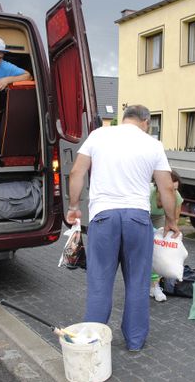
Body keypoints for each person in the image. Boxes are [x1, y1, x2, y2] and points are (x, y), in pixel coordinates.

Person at [66, 104, 179, 351]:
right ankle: (135, 342)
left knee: (100, 283)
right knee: (138, 283)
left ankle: (93, 342)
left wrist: (74, 206)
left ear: (124, 118)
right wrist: (171, 220)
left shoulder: (98, 135)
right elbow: (167, 187)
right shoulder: (153, 144)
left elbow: (76, 172)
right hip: (138, 219)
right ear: (146, 121)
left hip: (103, 217)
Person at [149, 171, 183, 302]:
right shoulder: (148, 192)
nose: (173, 193)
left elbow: (175, 218)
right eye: (171, 189)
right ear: (159, 186)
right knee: (146, 247)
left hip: (161, 217)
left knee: (159, 251)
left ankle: (155, 286)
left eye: (176, 189)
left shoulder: (176, 196)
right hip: (145, 216)